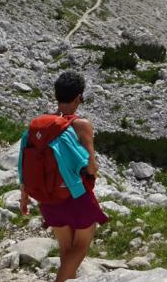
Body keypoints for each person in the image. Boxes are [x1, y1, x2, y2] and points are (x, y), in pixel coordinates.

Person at [18, 72, 108, 282]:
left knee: (66, 249)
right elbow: (91, 166)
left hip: (47, 197)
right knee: (81, 247)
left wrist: (24, 197)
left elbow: (23, 164)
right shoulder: (81, 125)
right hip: (76, 196)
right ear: (78, 97)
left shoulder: (37, 127)